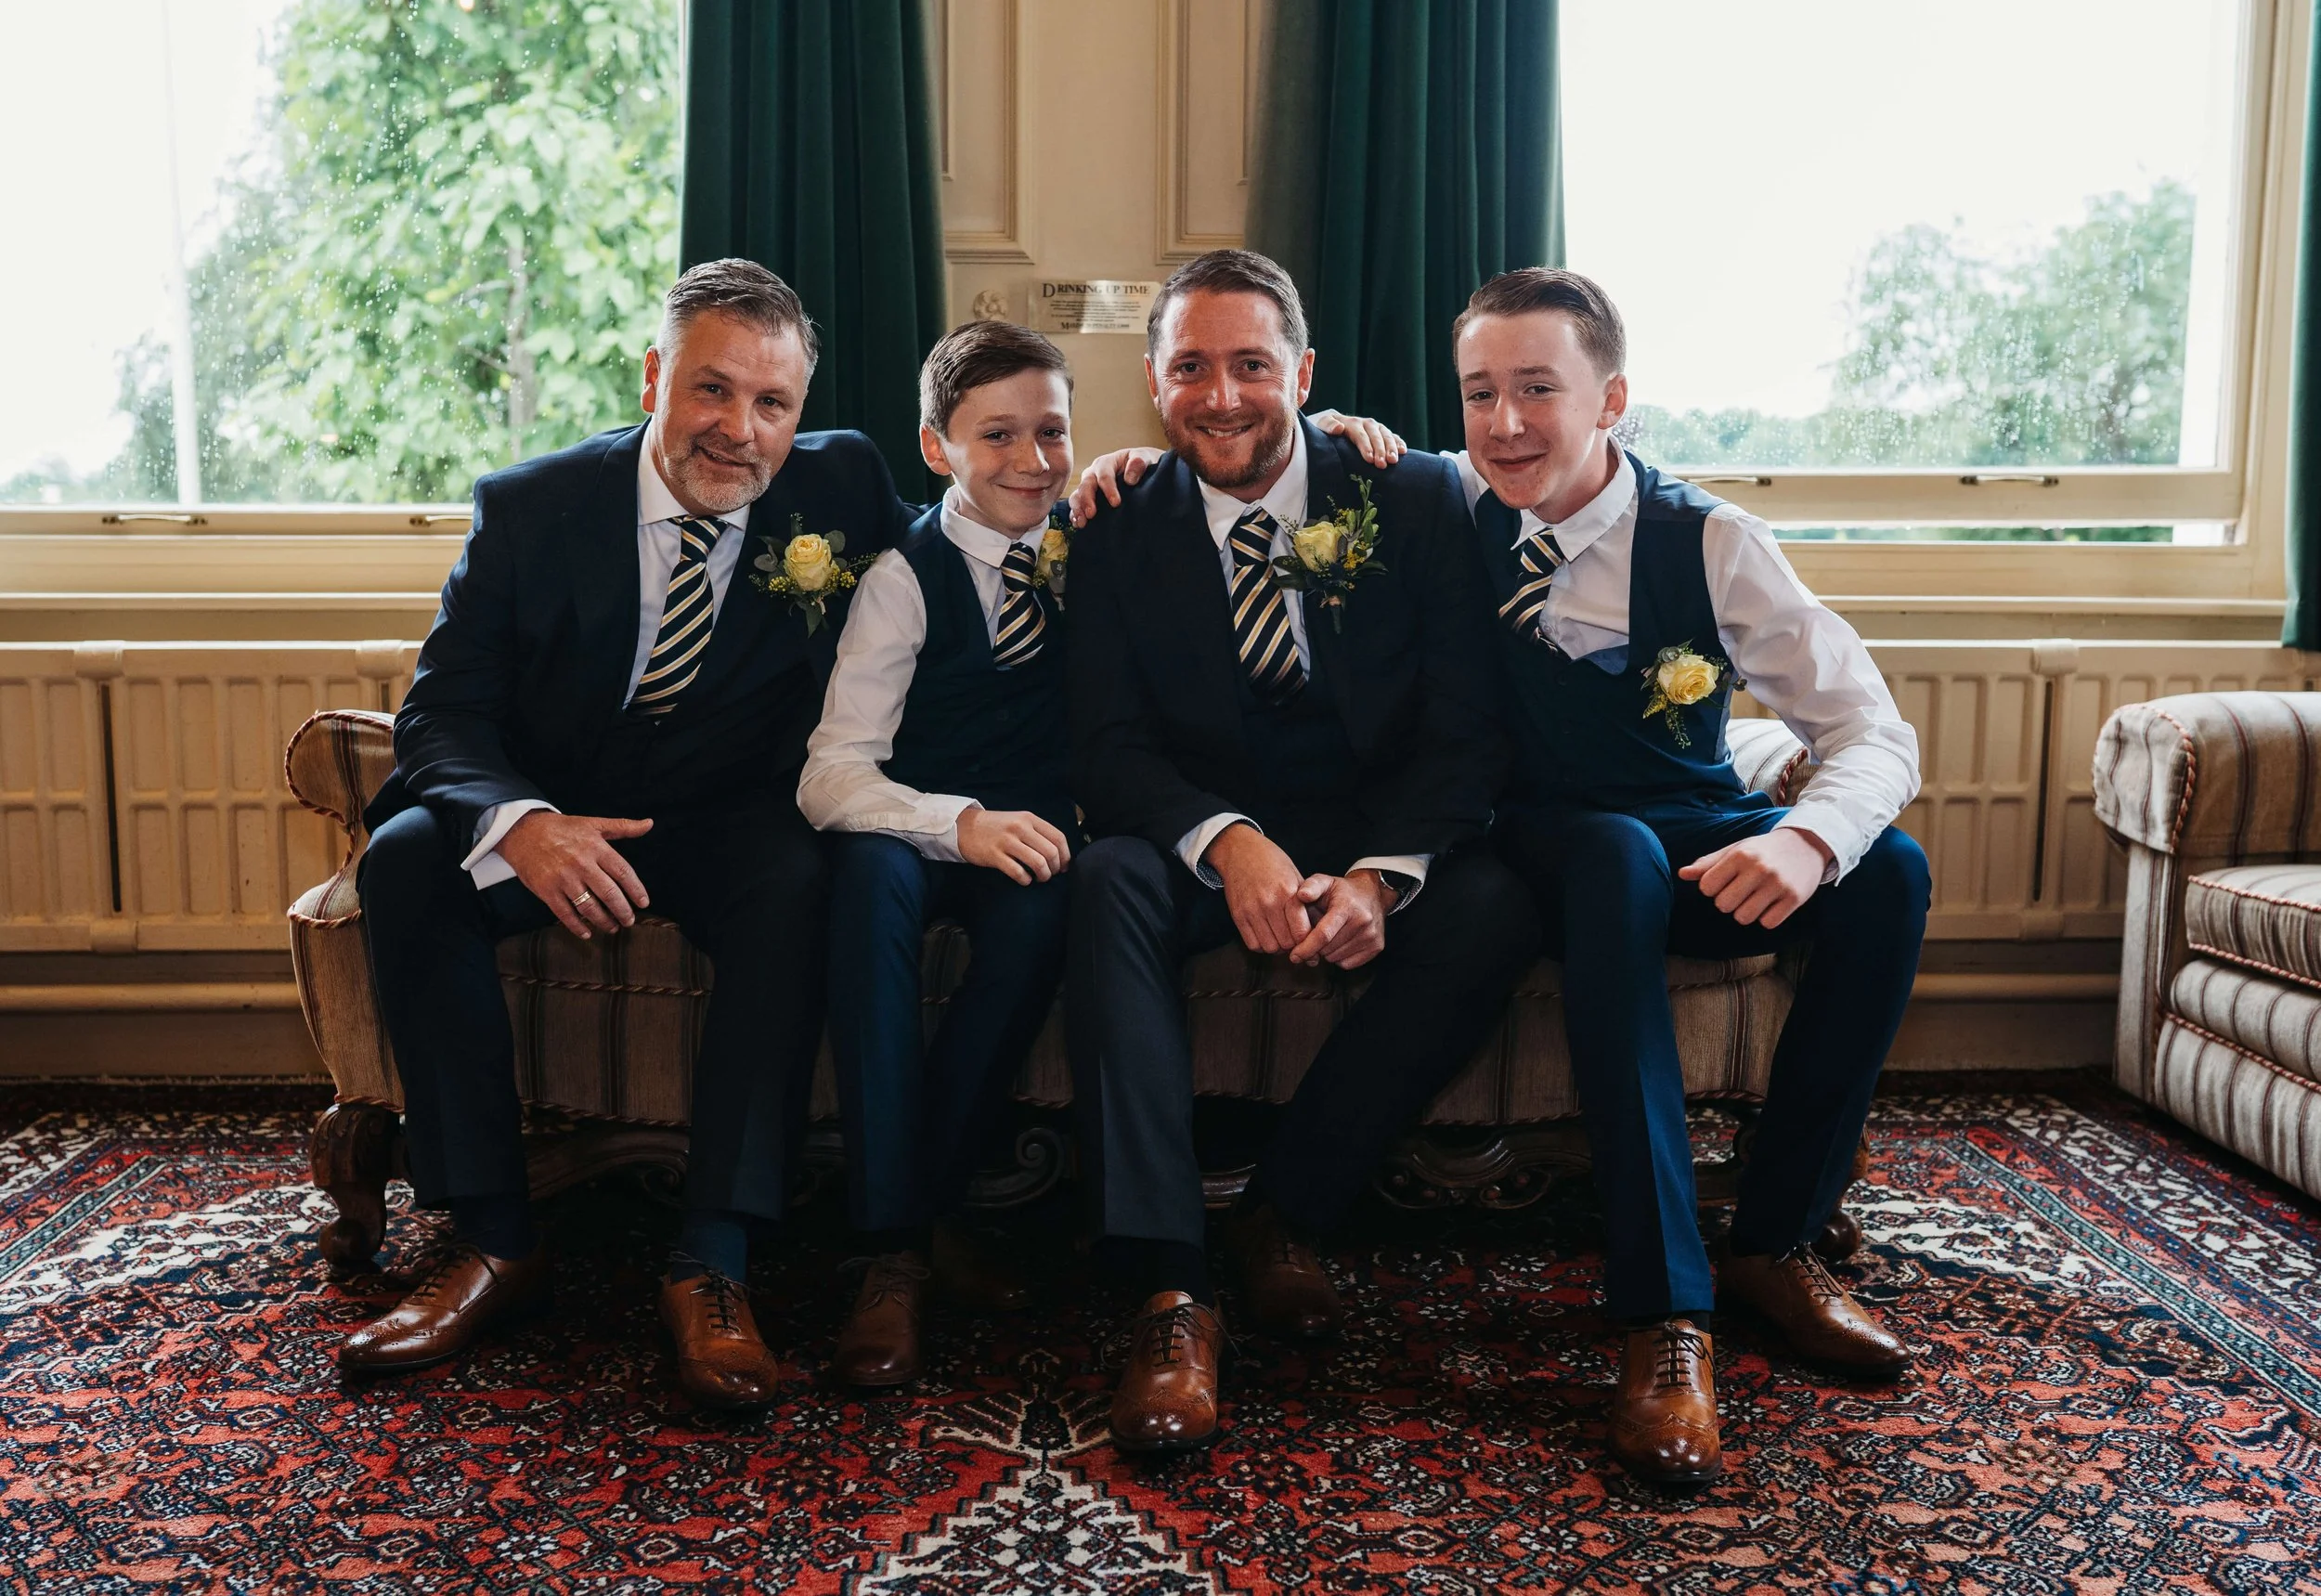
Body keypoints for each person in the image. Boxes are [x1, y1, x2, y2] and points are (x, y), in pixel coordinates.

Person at [344, 258, 914, 1412]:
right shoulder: (531, 507)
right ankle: (496, 1240)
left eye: (772, 404)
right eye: (711, 390)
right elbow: (440, 710)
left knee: (798, 881)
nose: (739, 431)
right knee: (405, 861)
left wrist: (1116, 484)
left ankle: (715, 1258)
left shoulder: (840, 486)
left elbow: (972, 541)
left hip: (727, 820)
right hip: (560, 806)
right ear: (654, 376)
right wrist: (528, 822)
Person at [1446, 267, 1928, 1485]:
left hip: (1693, 833)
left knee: (1891, 872)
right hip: (1546, 851)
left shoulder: (1711, 538)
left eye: (1538, 389)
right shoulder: (1441, 507)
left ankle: (1775, 1242)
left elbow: (1873, 730)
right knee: (1610, 855)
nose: (1505, 423)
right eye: (1480, 393)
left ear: (1612, 398)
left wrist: (1803, 839)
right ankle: (1664, 1313)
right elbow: (1305, 454)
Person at [1065, 249, 1539, 1456]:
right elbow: (1108, 746)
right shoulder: (1116, 524)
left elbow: (1467, 727)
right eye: (1190, 367)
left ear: (1304, 371)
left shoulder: (1415, 495)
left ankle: (1287, 1211)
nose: (1221, 395)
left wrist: (1385, 873)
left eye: (1251, 364)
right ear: (1153, 380)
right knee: (1108, 874)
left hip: (1369, 831)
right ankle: (1172, 1290)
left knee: (1492, 902)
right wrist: (1228, 845)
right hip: (1200, 840)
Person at [797, 320, 1082, 1388]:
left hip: (1037, 832)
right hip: (911, 820)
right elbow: (832, 776)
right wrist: (951, 823)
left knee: (1059, 901)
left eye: (1051, 431)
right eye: (997, 435)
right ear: (937, 447)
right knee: (867, 885)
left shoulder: (1092, 543)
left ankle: (919, 1221)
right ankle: (890, 1255)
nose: (1032, 460)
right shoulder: (902, 578)